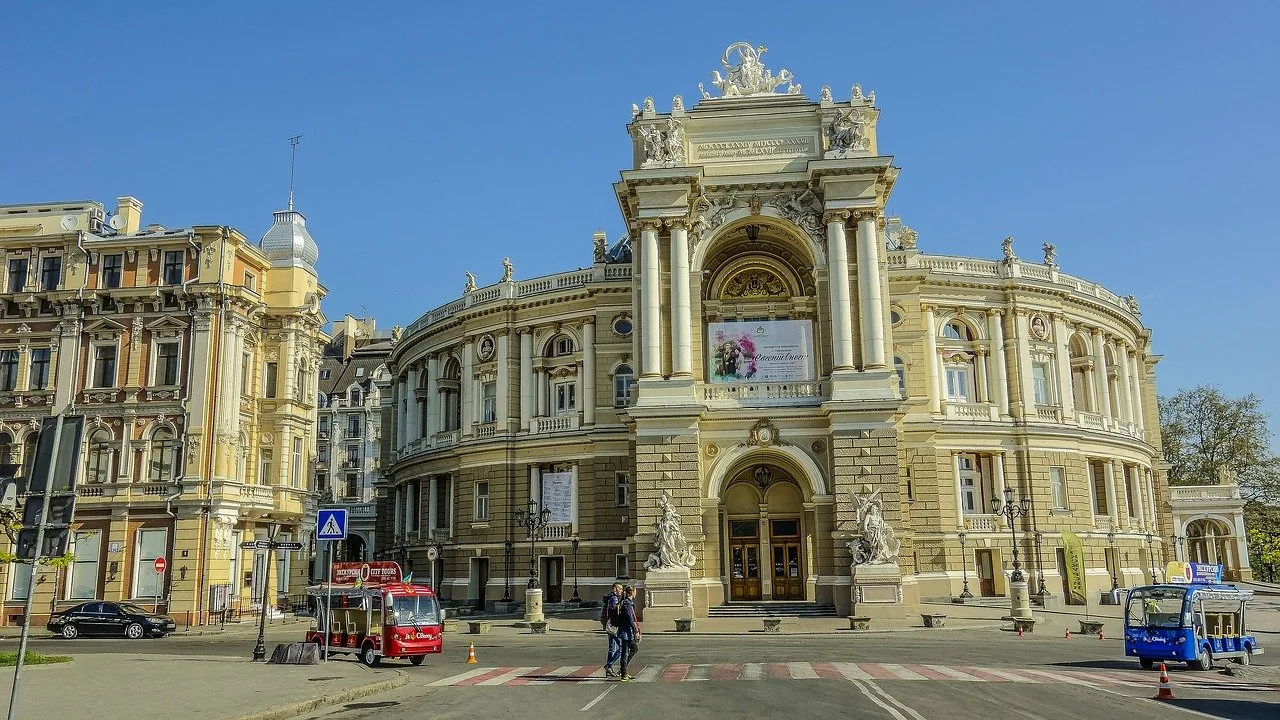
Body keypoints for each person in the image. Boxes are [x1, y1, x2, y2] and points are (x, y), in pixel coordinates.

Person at [617, 585, 641, 681]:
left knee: (634, 649)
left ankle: (623, 670)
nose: (636, 593)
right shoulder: (627, 603)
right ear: (632, 592)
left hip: (627, 631)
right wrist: (635, 631)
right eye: (635, 591)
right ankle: (623, 673)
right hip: (626, 631)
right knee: (625, 653)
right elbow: (630, 619)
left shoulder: (629, 602)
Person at [600, 582, 623, 677]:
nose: (621, 591)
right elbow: (615, 611)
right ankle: (609, 665)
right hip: (613, 625)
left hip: (608, 624)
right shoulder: (614, 598)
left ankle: (608, 670)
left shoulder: (609, 598)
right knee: (621, 647)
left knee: (612, 648)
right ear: (615, 589)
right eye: (620, 589)